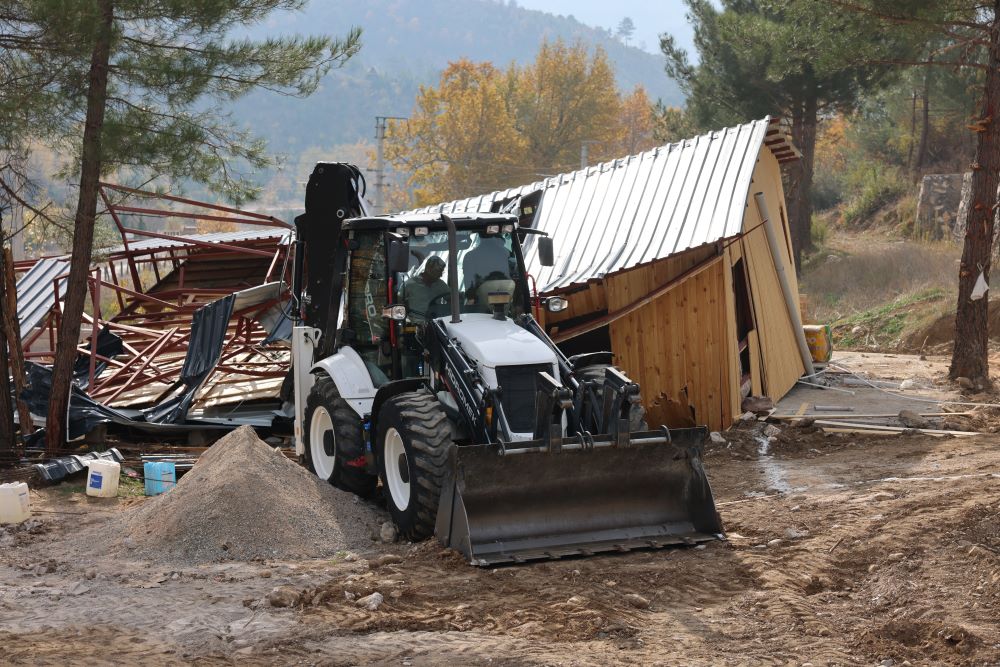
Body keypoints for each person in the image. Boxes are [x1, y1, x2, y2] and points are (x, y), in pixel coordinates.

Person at [462, 236, 512, 301]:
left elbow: (468, 282)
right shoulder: (505, 254)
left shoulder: (470, 256)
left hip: (479, 300)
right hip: (504, 297)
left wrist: (471, 298)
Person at [401, 256, 449, 320]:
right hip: (415, 323)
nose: (441, 275)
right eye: (438, 271)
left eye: (441, 271)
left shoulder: (441, 285)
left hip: (435, 322)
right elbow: (398, 304)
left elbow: (451, 298)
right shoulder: (409, 284)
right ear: (429, 269)